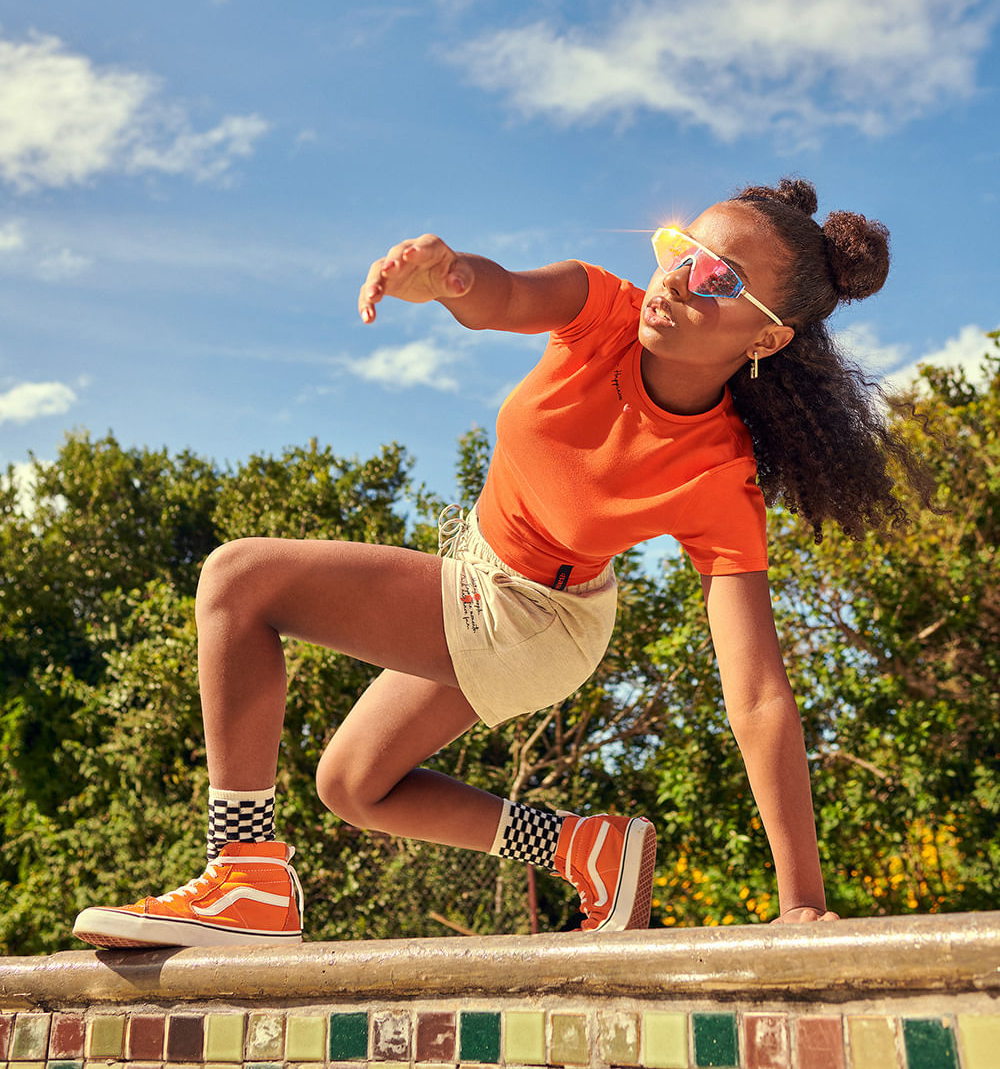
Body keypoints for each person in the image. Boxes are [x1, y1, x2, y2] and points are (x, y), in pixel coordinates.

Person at [73, 177, 915, 949]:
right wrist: (446, 278)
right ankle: (591, 850)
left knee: (238, 580)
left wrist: (801, 901)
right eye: (677, 250)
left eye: (717, 279)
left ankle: (246, 882)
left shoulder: (717, 476)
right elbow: (504, 292)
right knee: (354, 784)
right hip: (480, 577)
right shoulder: (603, 308)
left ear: (768, 333)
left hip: (537, 619)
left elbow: (758, 691)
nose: (676, 280)